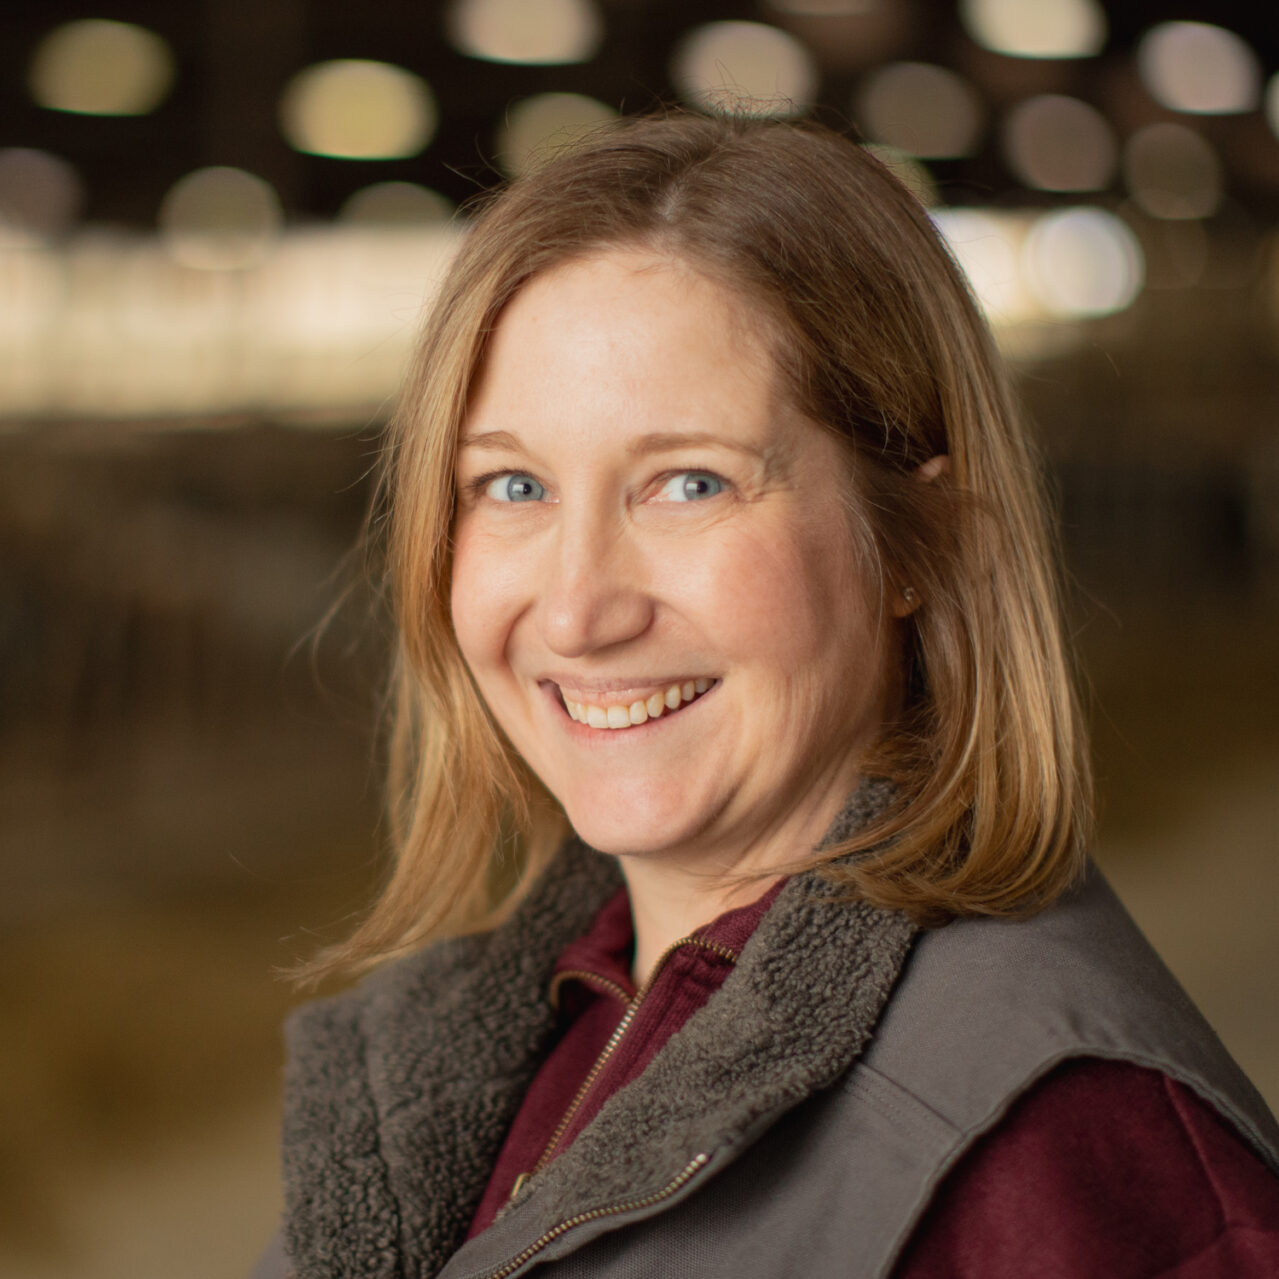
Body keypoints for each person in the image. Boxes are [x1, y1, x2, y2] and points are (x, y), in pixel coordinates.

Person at [254, 113, 1279, 1279]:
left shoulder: (1068, 1161)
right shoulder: (484, 1046)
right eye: (513, 485)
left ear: (925, 543)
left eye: (689, 483)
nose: (577, 610)